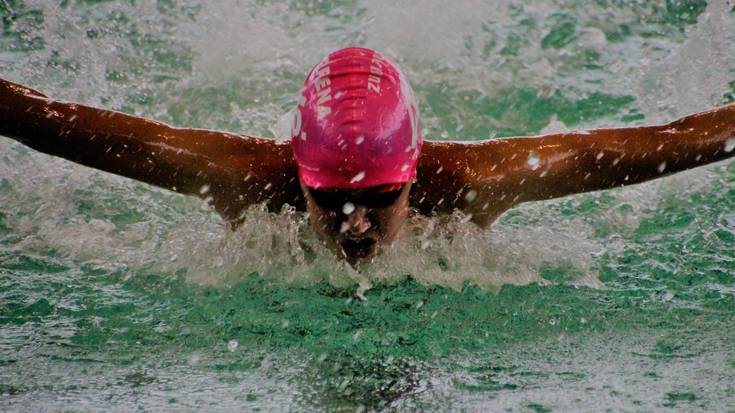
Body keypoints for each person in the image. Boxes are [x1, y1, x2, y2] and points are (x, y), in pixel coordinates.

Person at [1, 47, 734, 266]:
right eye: (329, 198)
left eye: (382, 197)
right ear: (298, 168)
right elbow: (49, 123)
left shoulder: (477, 181)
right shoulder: (240, 177)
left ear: (412, 169)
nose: (355, 224)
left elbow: (667, 145)